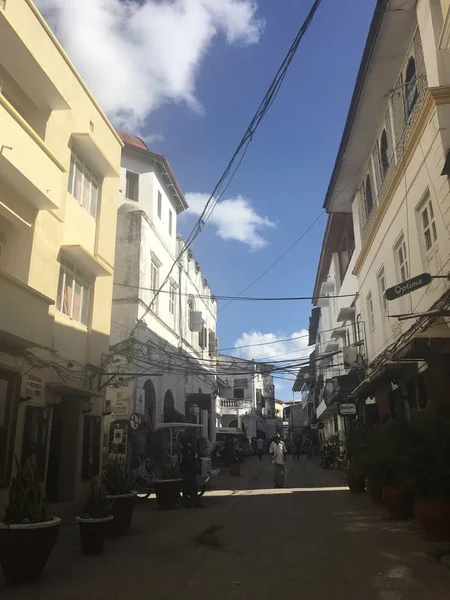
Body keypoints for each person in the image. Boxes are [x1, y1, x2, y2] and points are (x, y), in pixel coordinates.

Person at [180, 436, 204, 508]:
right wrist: (195, 459)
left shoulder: (185, 448)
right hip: (188, 470)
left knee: (186, 488)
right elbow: (188, 458)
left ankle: (187, 503)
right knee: (192, 487)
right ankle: (195, 503)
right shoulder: (187, 448)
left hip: (186, 470)